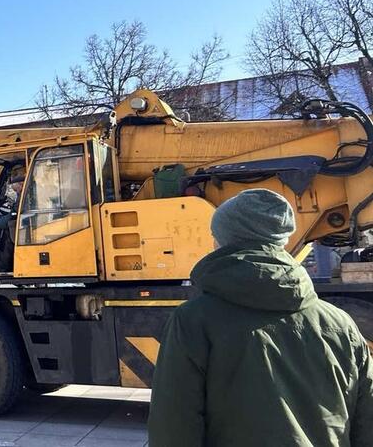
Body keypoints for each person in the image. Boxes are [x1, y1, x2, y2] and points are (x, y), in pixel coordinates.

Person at [148, 189, 373, 446]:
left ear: (224, 241)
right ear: (281, 241)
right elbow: (366, 419)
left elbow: (174, 425)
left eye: (215, 235)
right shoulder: (339, 323)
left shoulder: (194, 320)